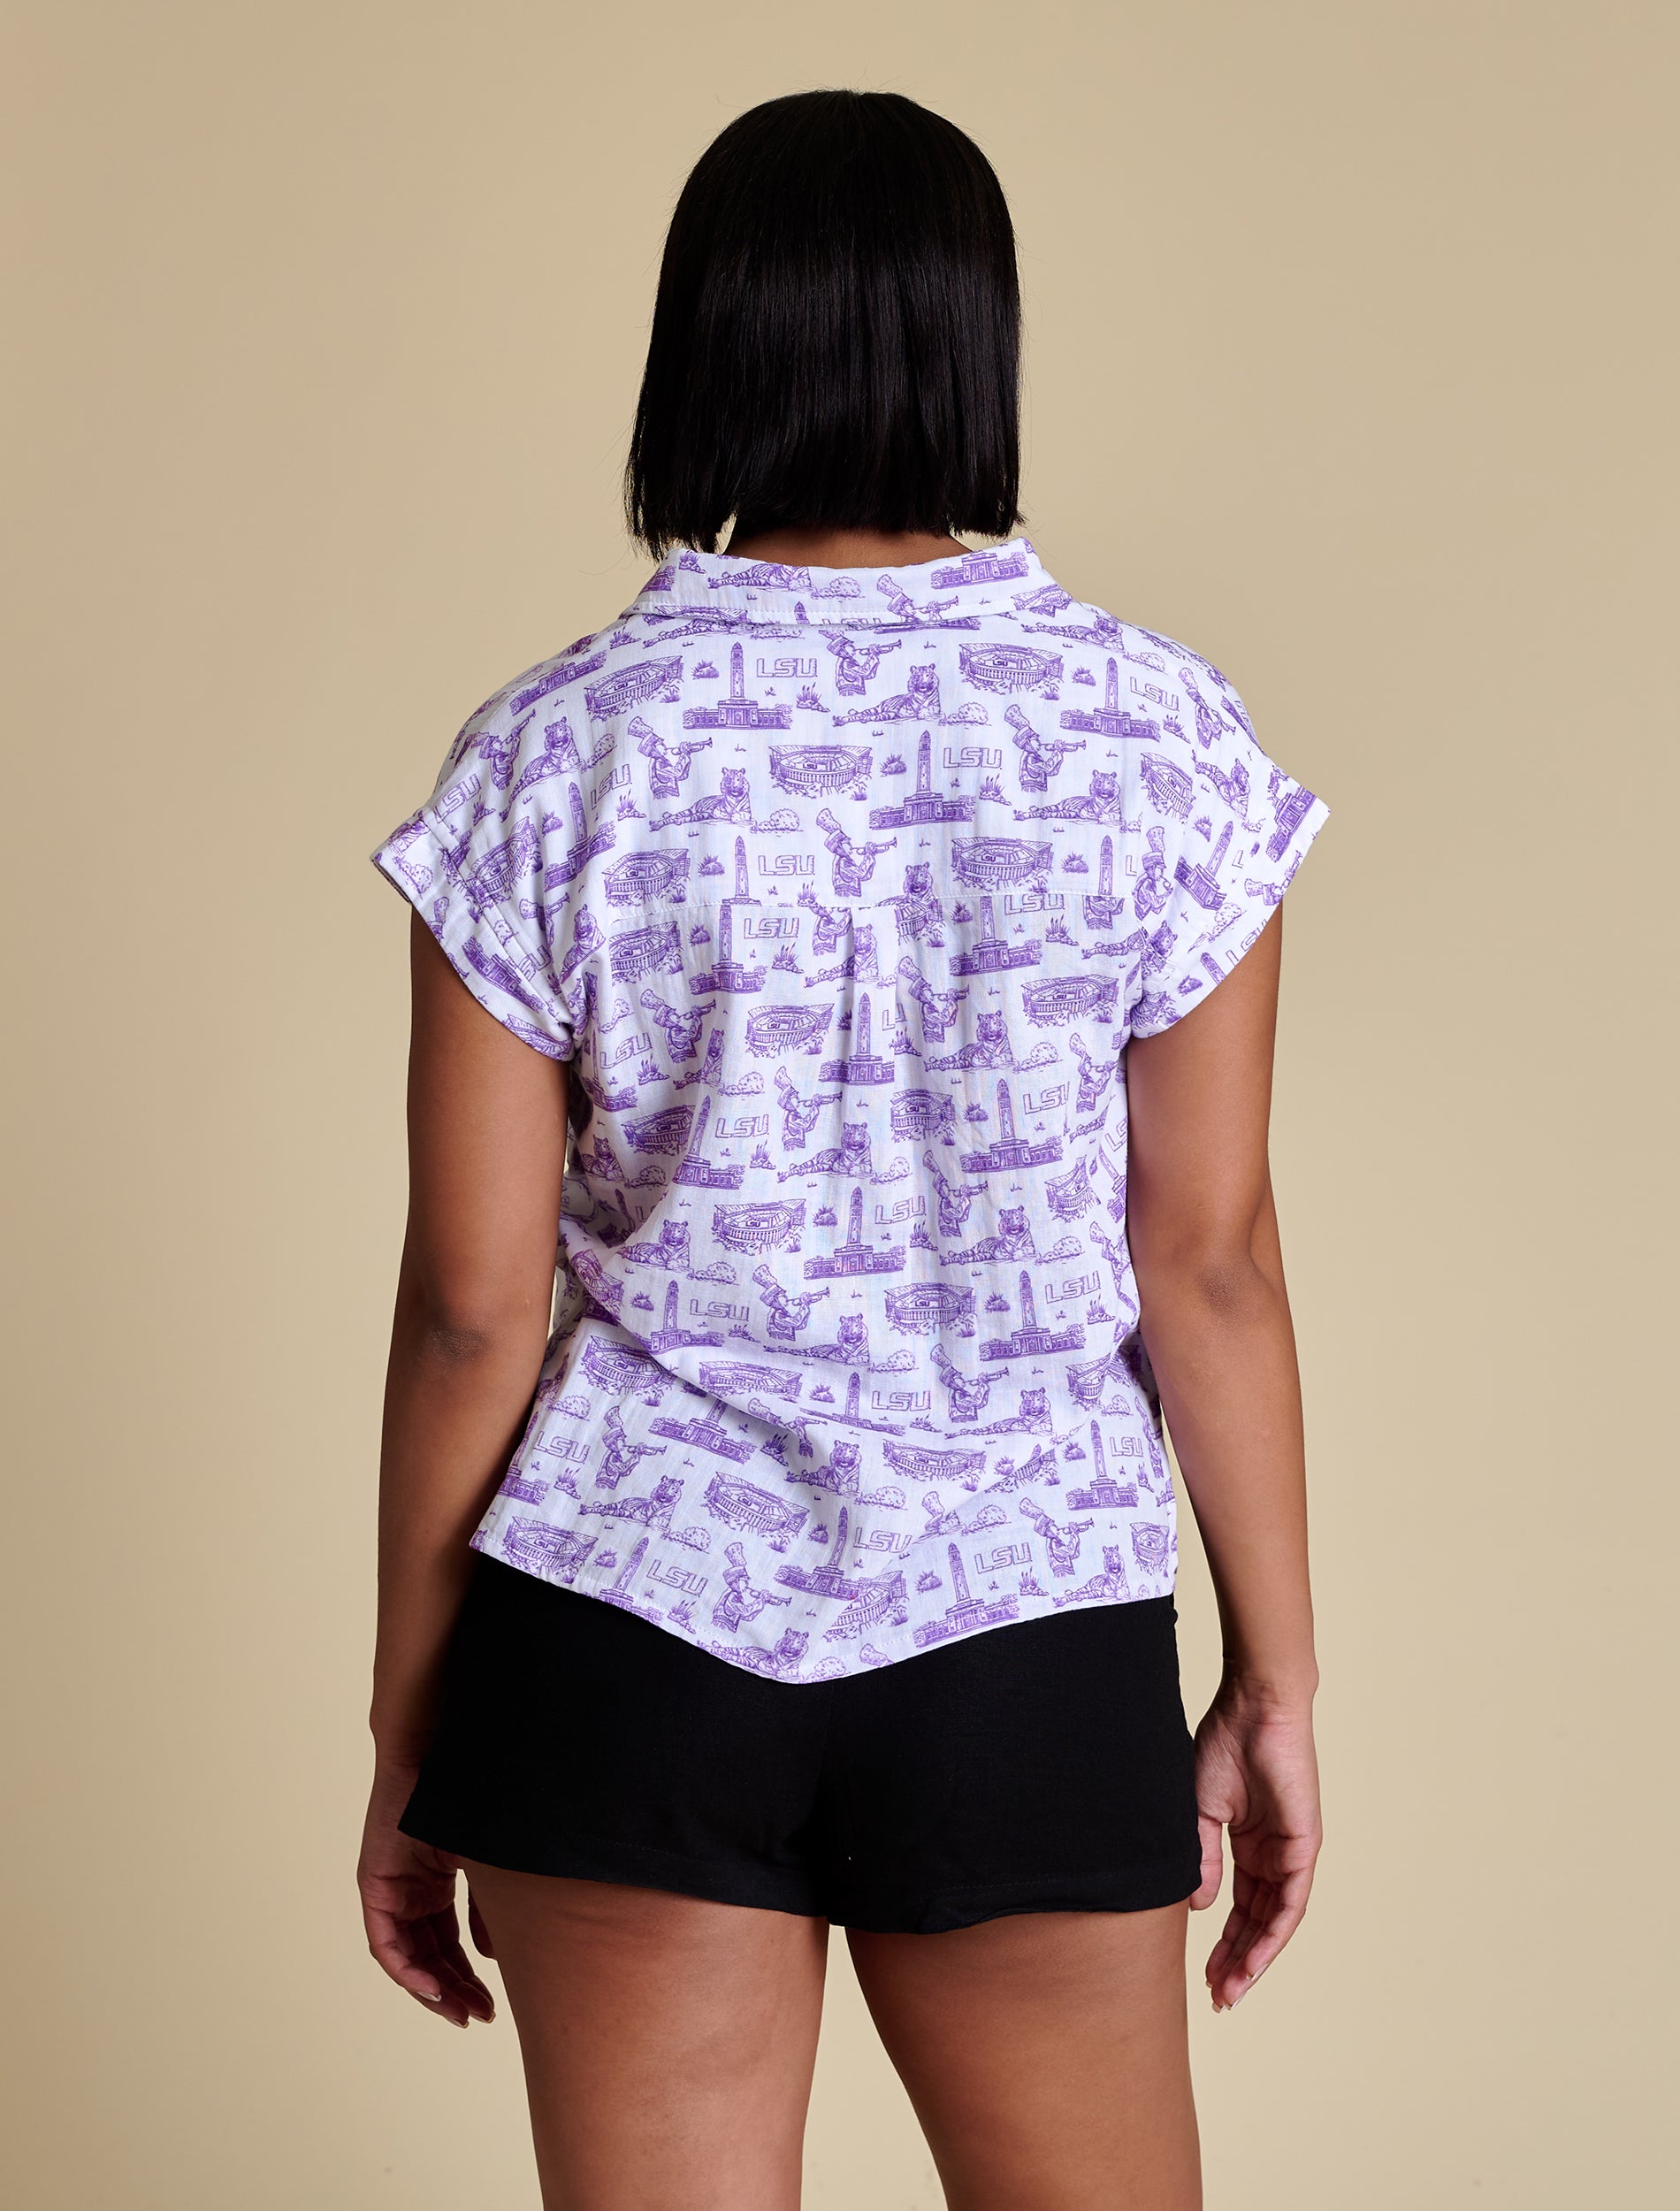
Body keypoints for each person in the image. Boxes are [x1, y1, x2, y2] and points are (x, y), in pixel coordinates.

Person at [359, 88, 1328, 2211]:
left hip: (624, 1624)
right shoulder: (1155, 734)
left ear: (700, 344)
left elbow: (469, 1309)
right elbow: (1209, 1257)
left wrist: (410, 1721)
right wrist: (1271, 1672)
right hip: (1027, 1621)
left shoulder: (552, 748)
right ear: (977, 342)